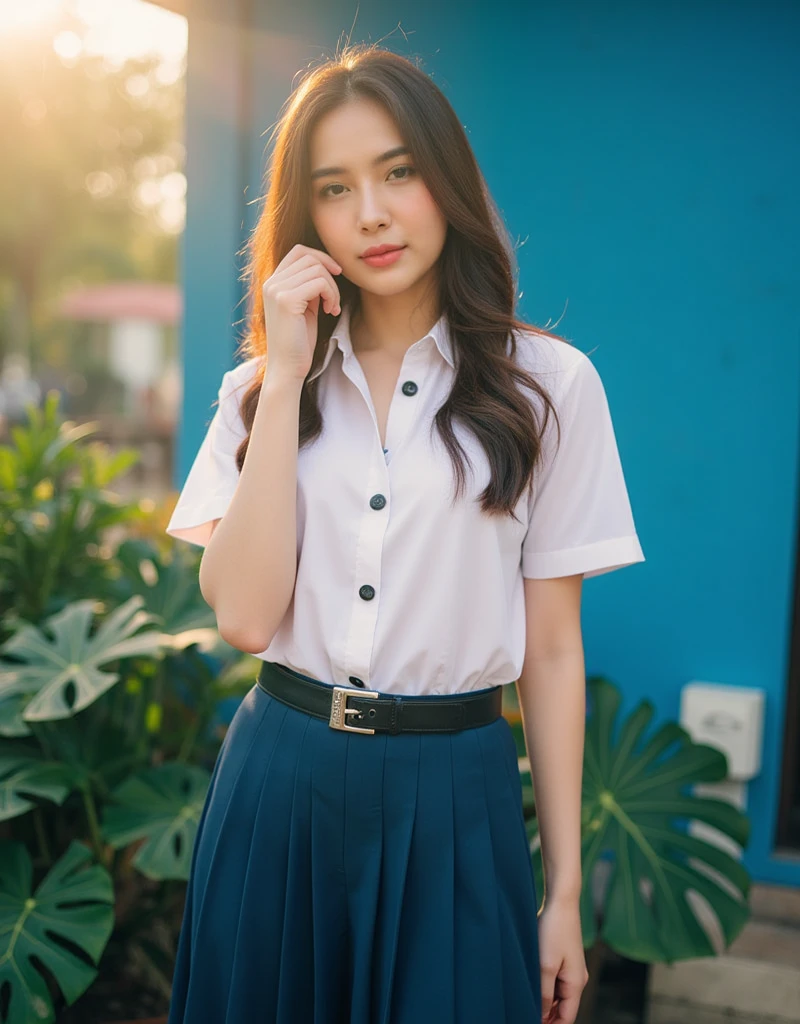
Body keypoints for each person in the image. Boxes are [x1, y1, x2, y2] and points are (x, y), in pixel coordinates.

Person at [164, 42, 645, 1024]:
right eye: (335, 190)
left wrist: (561, 894)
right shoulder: (259, 395)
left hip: (455, 795)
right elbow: (247, 619)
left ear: (445, 180)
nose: (371, 213)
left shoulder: (548, 389)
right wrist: (288, 370)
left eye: (396, 172)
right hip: (278, 782)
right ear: (307, 222)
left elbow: (551, 653)